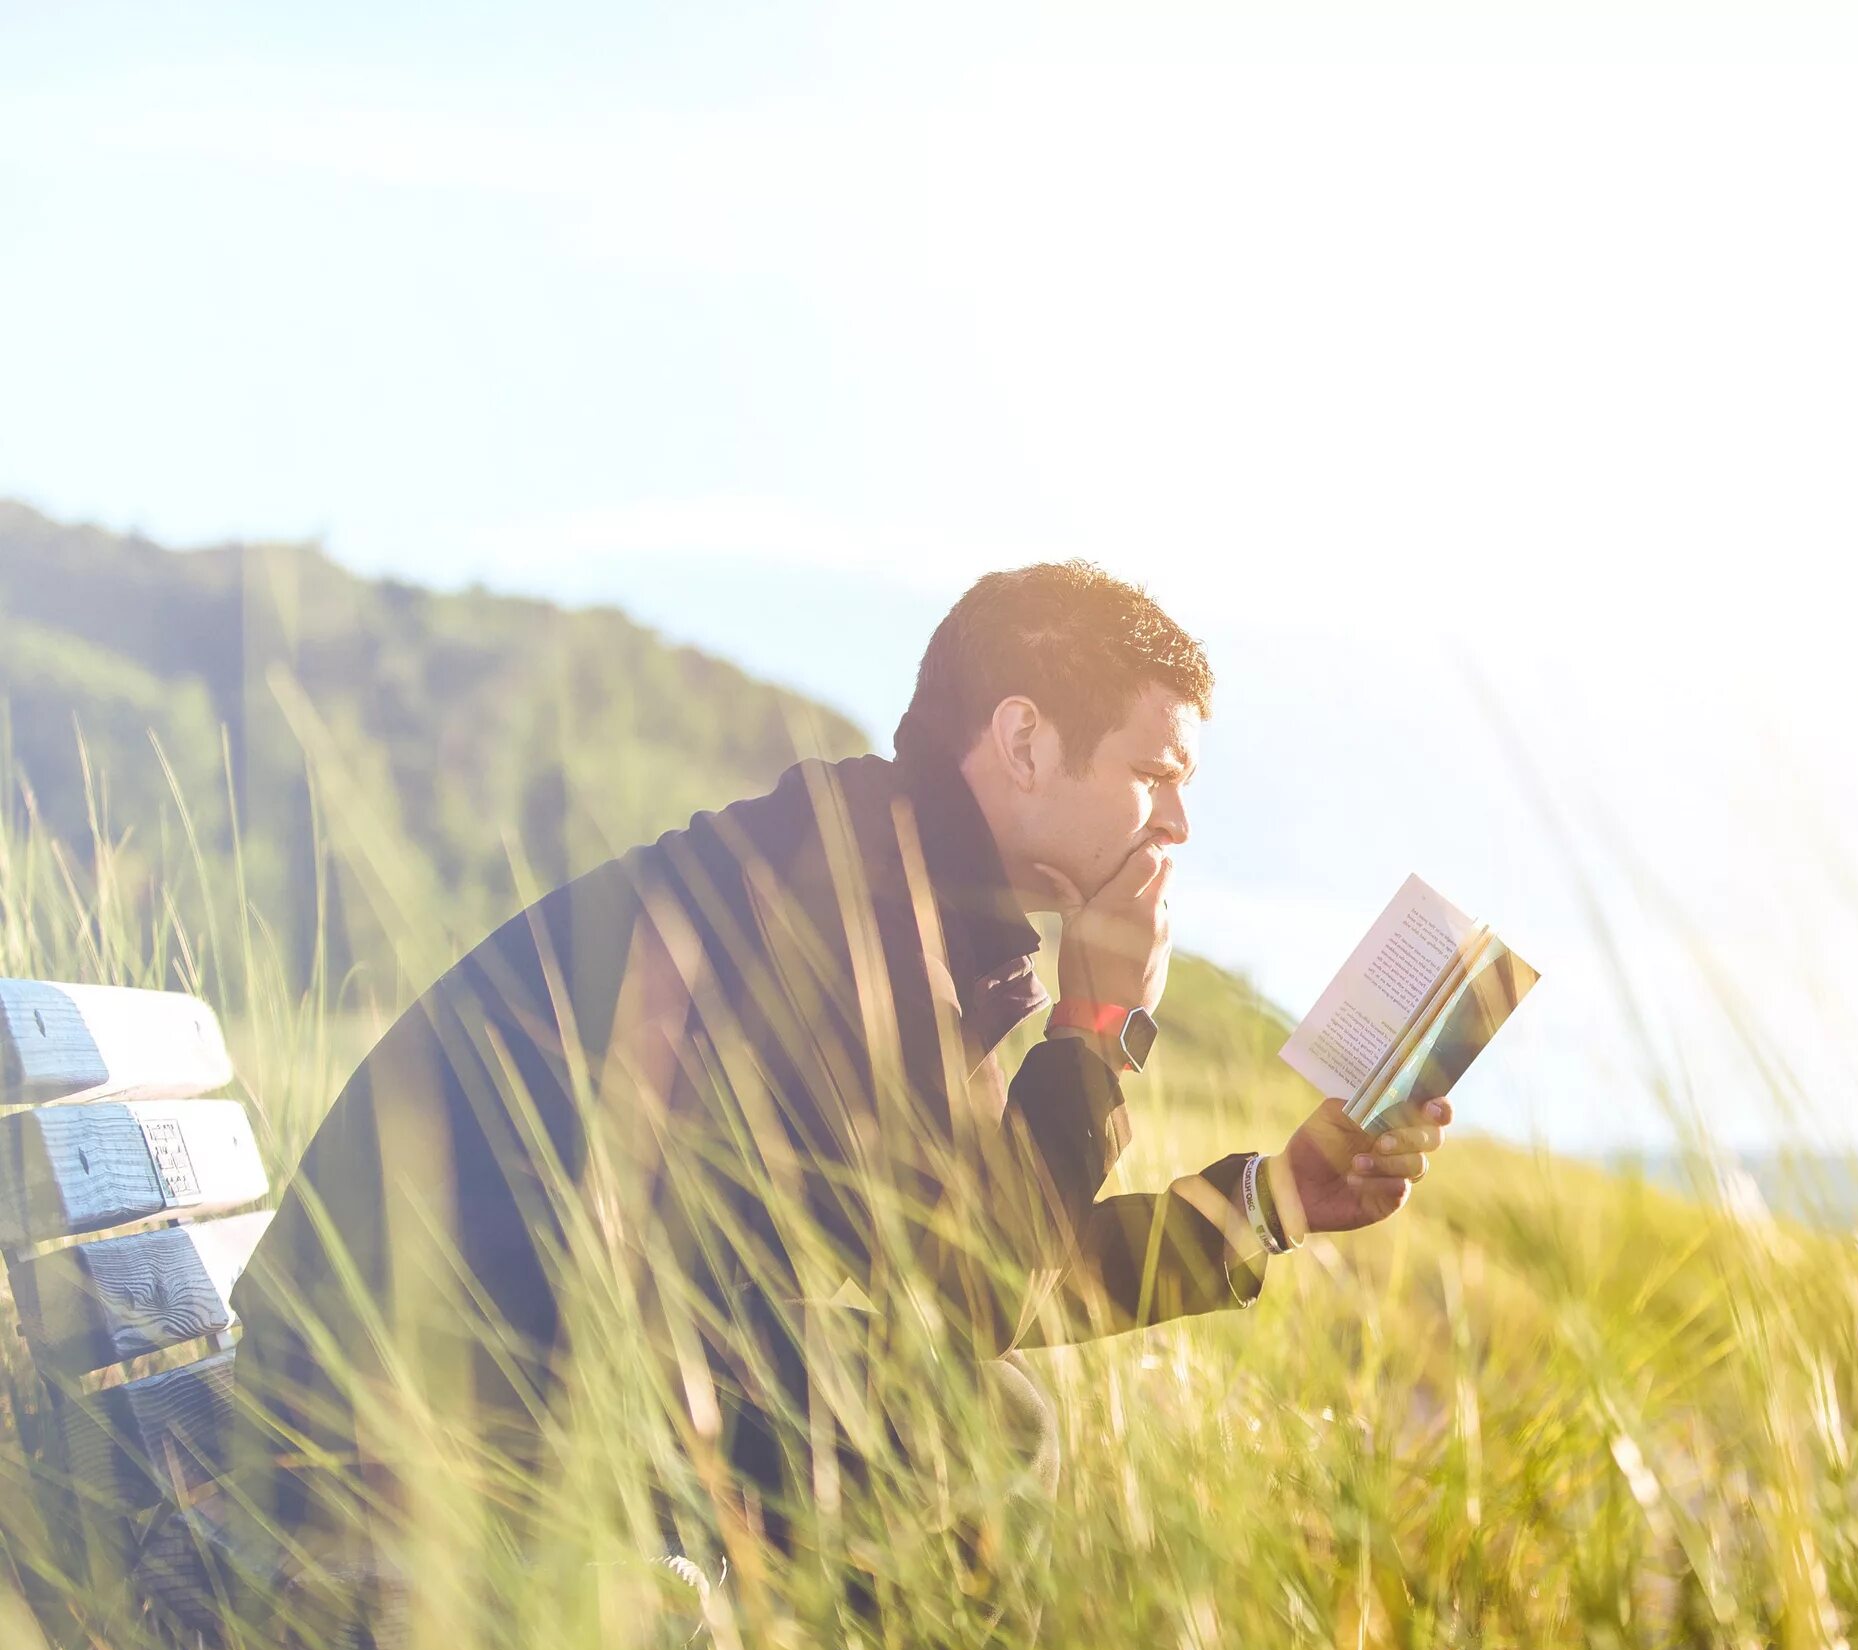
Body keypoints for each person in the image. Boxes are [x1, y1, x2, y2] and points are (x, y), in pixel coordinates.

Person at [228, 562, 1450, 1593]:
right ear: (1025, 740)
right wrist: (1089, 1025)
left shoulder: (899, 887)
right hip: (377, 1422)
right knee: (974, 1425)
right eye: (1155, 769)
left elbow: (979, 1271)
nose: (1178, 822)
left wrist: (1278, 1195)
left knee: (963, 1409)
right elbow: (976, 1290)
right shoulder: (839, 905)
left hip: (494, 1374)